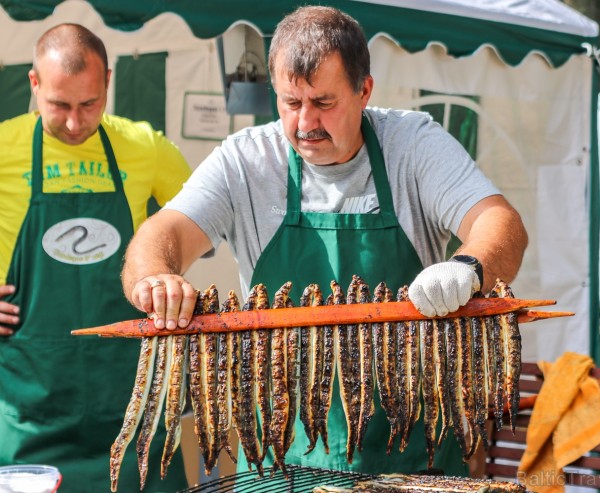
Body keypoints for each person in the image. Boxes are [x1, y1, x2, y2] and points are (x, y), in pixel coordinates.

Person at [121, 5, 528, 478]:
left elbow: (501, 223)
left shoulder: (414, 144)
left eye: (324, 102)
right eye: (291, 103)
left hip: (416, 453)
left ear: (364, 90)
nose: (304, 123)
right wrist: (154, 277)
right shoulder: (245, 160)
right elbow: (162, 232)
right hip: (281, 457)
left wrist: (468, 266)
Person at [0, 24, 191, 492]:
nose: (73, 122)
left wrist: (166, 272)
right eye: (59, 105)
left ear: (108, 80)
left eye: (89, 104)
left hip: (130, 398)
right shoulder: (4, 147)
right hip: (30, 403)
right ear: (34, 84)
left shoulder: (143, 145)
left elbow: (210, 214)